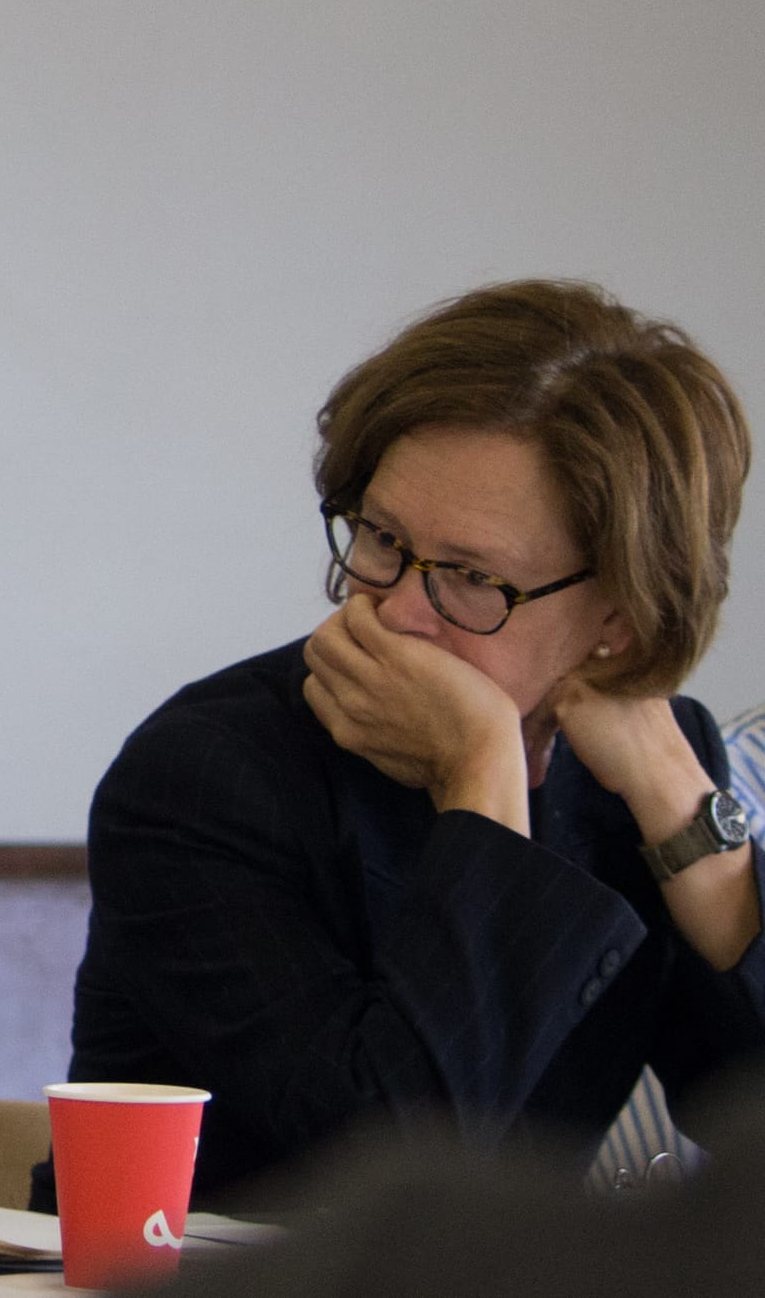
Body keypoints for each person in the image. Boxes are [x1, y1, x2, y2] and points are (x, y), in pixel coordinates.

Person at [37, 279, 759, 1213]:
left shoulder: (638, 767)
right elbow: (390, 1177)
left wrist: (677, 802)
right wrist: (484, 776)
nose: (395, 608)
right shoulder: (207, 770)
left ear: (617, 616)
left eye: (468, 576)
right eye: (382, 537)